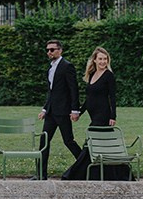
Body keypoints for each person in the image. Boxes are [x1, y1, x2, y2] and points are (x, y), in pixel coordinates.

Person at [62, 46, 127, 181]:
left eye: (105, 59)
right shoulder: (91, 75)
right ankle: (100, 174)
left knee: (92, 143)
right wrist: (80, 112)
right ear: (95, 61)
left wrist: (113, 116)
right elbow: (89, 99)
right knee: (102, 146)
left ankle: (77, 173)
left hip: (103, 115)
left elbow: (112, 97)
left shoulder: (109, 75)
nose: (103, 62)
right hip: (93, 113)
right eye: (100, 59)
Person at [38, 39, 82, 179]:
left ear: (60, 50)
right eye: (47, 50)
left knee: (68, 141)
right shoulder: (50, 68)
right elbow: (51, 92)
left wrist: (75, 110)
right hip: (51, 112)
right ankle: (41, 174)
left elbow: (73, 89)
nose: (49, 52)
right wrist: (45, 109)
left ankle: (86, 165)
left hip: (63, 112)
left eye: (52, 49)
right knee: (44, 142)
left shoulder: (67, 66)